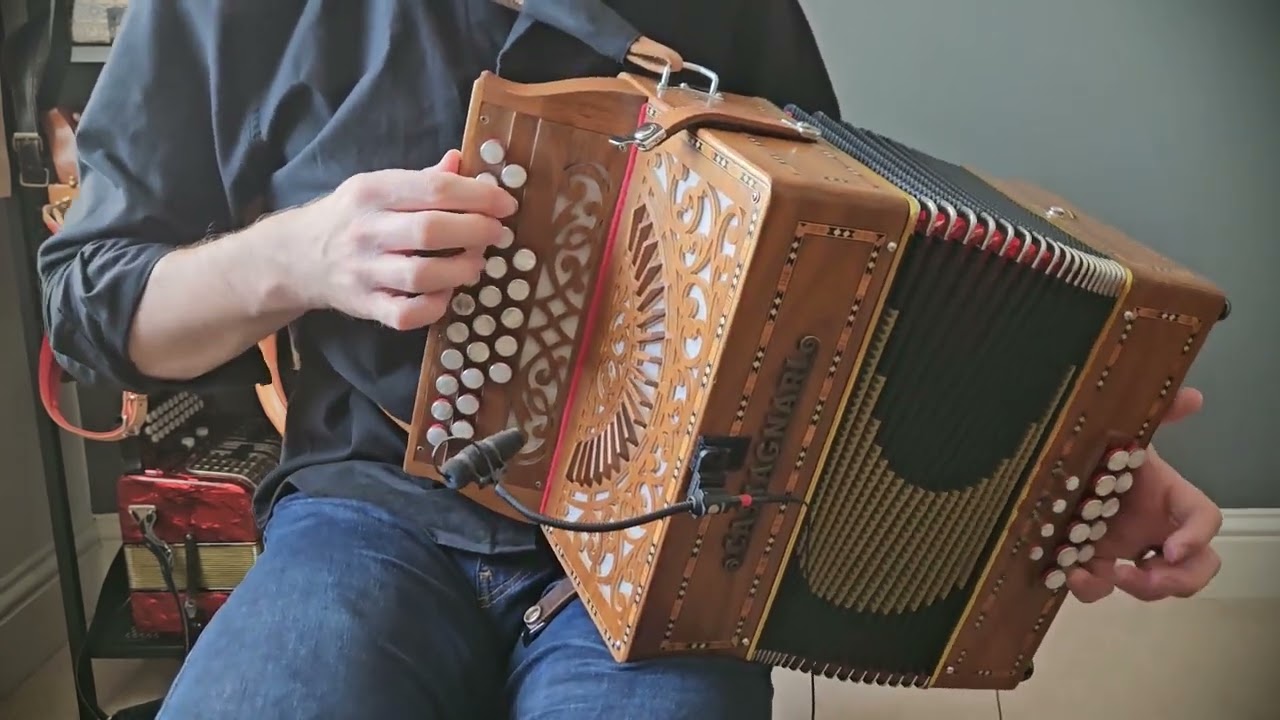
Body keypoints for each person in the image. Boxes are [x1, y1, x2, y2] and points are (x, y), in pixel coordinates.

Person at [37, 1, 1224, 717]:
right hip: (370, 513)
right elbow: (90, 306)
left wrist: (1058, 459)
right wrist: (294, 259)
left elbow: (854, 289)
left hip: (674, 549)